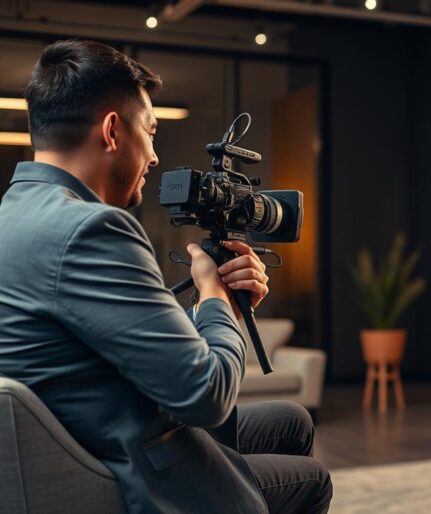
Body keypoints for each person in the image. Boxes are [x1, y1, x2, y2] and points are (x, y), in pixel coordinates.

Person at [0, 40, 331, 513]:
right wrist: (216, 297)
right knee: (311, 478)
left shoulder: (13, 215)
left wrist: (214, 305)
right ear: (113, 131)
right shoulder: (93, 228)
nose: (154, 157)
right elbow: (207, 394)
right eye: (150, 132)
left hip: (82, 432)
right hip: (122, 466)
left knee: (290, 421)